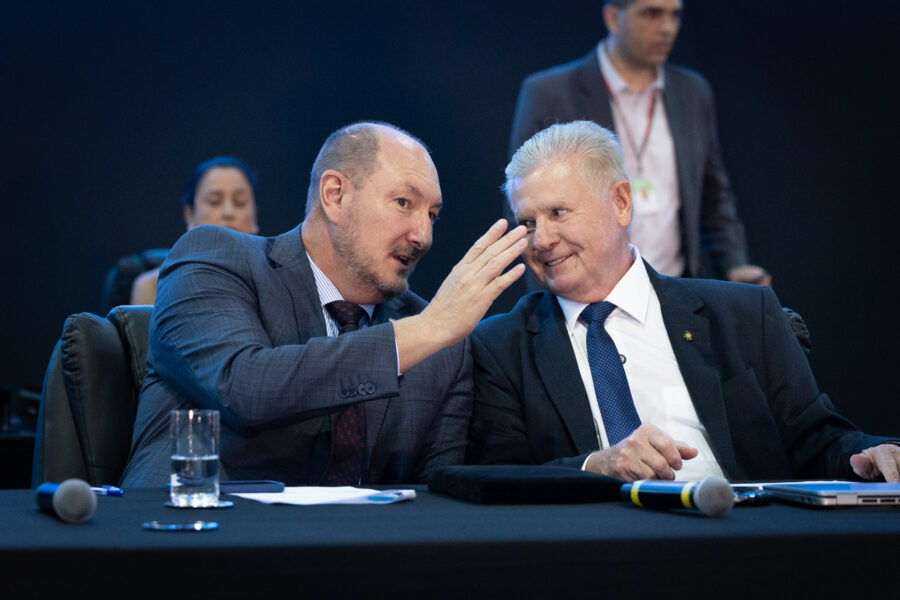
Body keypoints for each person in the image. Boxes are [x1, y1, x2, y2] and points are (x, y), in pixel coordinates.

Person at [467, 120, 900, 483]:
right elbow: (498, 478)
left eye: (558, 213)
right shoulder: (502, 347)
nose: (541, 240)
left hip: (746, 536)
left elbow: (818, 441)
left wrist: (872, 454)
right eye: (527, 222)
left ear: (620, 202)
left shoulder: (745, 316)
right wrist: (595, 466)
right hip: (599, 548)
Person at [120, 122, 526, 487]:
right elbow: (243, 387)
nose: (423, 235)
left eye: (432, 215)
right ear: (335, 195)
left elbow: (437, 496)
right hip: (192, 535)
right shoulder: (216, 259)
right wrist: (428, 329)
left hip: (355, 547)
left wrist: (432, 330)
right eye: (404, 202)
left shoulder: (442, 347)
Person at [508, 0, 769, 286]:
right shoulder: (551, 93)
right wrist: (548, 301)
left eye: (674, 15)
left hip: (676, 288)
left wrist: (734, 265)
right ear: (613, 18)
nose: (667, 28)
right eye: (651, 14)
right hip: (590, 294)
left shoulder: (693, 93)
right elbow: (524, 204)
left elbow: (713, 195)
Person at [129, 156, 260, 305]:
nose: (228, 212)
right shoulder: (154, 285)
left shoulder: (274, 281)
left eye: (239, 202)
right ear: (189, 215)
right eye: (214, 202)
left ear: (254, 215)